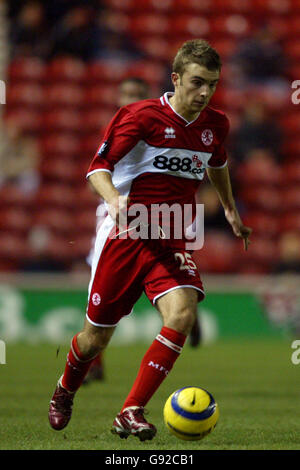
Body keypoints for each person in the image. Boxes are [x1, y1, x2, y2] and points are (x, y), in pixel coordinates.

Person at [48, 39, 252, 441]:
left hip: (171, 238)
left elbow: (219, 162)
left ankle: (130, 409)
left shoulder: (216, 124)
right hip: (126, 235)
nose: (205, 92)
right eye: (196, 82)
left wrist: (229, 209)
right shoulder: (139, 117)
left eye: (212, 84)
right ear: (176, 79)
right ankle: (64, 389)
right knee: (95, 339)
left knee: (183, 311)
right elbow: (97, 168)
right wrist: (114, 200)